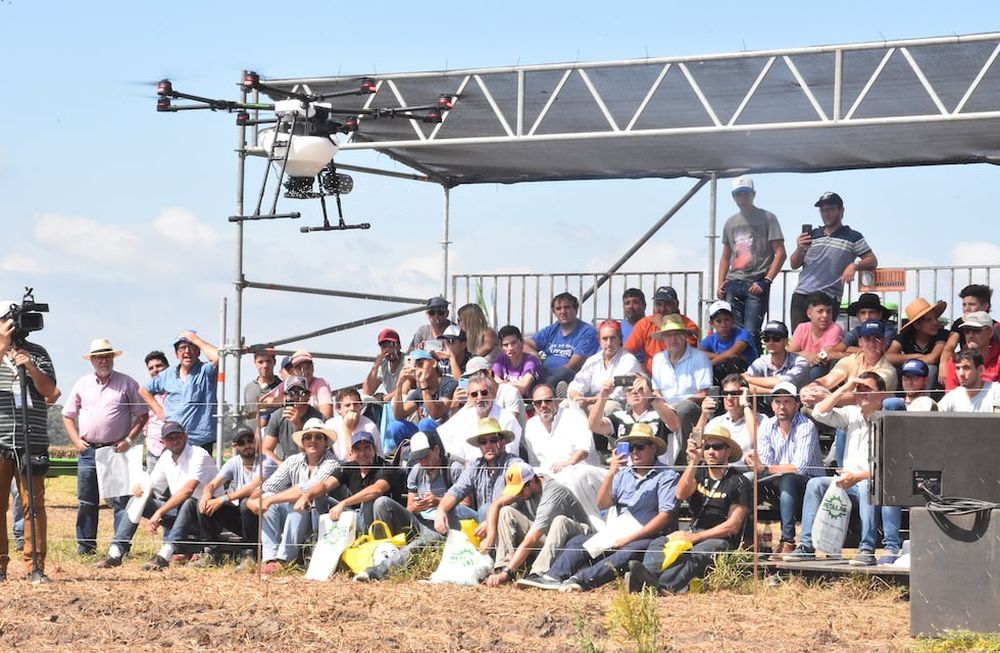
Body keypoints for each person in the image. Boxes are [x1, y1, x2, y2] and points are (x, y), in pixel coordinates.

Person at [522, 423, 679, 592]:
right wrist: (611, 472)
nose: (634, 452)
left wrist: (629, 538)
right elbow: (603, 503)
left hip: (650, 535)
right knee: (578, 542)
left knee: (630, 551)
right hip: (619, 529)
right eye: (631, 447)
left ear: (653, 448)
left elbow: (665, 516)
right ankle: (553, 576)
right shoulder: (624, 474)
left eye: (640, 447)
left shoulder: (667, 475)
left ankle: (581, 580)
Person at [785, 372, 902, 566]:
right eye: (859, 390)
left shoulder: (891, 421)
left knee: (866, 486)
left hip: (874, 483)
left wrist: (859, 476)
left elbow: (893, 468)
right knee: (815, 484)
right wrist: (846, 386)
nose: (862, 394)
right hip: (847, 483)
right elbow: (819, 412)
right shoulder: (851, 413)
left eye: (868, 390)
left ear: (881, 395)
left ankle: (866, 549)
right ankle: (806, 546)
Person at [627, 424, 751, 594]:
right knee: (660, 542)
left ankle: (664, 586)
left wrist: (695, 537)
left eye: (717, 447)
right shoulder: (699, 473)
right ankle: (646, 577)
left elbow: (733, 526)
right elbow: (680, 494)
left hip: (721, 538)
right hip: (695, 531)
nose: (711, 451)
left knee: (701, 550)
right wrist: (694, 461)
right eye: (707, 447)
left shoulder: (739, 481)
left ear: (728, 451)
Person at [62, 338, 148, 556]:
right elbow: (67, 415)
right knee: (87, 501)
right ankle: (86, 547)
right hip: (88, 450)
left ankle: (119, 548)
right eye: (99, 357)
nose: (104, 360)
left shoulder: (127, 382)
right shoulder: (82, 384)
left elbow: (142, 415)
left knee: (120, 500)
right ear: (92, 360)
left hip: (116, 450)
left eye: (107, 356)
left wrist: (128, 440)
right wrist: (75, 440)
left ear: (113, 358)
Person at [98, 421, 221, 571]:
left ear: (185, 436)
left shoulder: (199, 454)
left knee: (189, 502)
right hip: (181, 514)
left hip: (207, 517)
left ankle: (164, 555)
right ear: (163, 442)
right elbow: (152, 485)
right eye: (170, 438)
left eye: (178, 436)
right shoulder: (166, 458)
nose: (175, 441)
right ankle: (116, 552)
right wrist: (139, 489)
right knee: (138, 499)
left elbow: (188, 490)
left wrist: (159, 513)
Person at [353, 429, 467, 582]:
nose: (423, 463)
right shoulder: (416, 471)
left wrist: (438, 502)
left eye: (426, 457)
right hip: (419, 521)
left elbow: (466, 507)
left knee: (424, 540)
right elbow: (409, 508)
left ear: (436, 450)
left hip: (443, 525)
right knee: (382, 503)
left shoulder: (454, 469)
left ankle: (377, 570)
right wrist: (417, 506)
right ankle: (385, 550)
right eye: (419, 459)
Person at [0, 307, 57, 580]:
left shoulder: (39, 352)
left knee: (33, 505)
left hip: (31, 439)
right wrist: (2, 346)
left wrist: (31, 367)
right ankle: (0, 566)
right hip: (0, 441)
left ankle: (35, 567)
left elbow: (49, 392)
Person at [247, 418, 339, 574]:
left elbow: (305, 490)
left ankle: (284, 560)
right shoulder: (293, 461)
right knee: (271, 500)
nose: (313, 441)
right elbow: (269, 486)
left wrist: (268, 500)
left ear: (326, 442)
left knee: (296, 503)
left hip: (322, 515)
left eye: (318, 437)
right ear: (302, 442)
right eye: (308, 437)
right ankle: (270, 558)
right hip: (297, 516)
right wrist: (251, 501)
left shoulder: (332, 463)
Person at [745, 382, 823, 559]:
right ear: (772, 405)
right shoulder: (767, 425)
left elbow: (799, 467)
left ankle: (787, 540)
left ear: (797, 404)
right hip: (777, 480)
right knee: (746, 479)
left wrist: (764, 467)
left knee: (788, 478)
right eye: (777, 401)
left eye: (787, 401)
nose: (781, 406)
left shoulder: (806, 426)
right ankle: (746, 539)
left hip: (808, 483)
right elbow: (763, 461)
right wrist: (753, 462)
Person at [482, 462, 592, 586]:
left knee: (560, 521)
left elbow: (532, 539)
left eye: (520, 490)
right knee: (506, 512)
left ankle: (537, 574)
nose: (518, 494)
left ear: (532, 482)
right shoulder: (530, 488)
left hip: (578, 542)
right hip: (552, 541)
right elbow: (497, 504)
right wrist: (490, 532)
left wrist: (509, 571)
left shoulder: (553, 494)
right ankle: (501, 567)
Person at [788, 191, 877, 330]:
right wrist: (799, 248)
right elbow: (794, 264)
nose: (826, 214)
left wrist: (854, 266)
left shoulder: (853, 236)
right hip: (801, 295)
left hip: (828, 297)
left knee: (823, 343)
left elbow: (872, 260)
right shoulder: (812, 235)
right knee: (799, 343)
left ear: (841, 211)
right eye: (822, 210)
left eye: (830, 209)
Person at [194, 425, 277, 569]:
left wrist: (222, 499)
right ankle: (211, 552)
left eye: (249, 441)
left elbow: (253, 487)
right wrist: (206, 496)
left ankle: (250, 554)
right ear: (235, 446)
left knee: (247, 503)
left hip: (263, 518)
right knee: (203, 504)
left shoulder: (266, 462)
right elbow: (212, 484)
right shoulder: (234, 462)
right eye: (241, 443)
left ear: (256, 442)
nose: (247, 446)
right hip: (243, 518)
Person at [716, 175, 786, 344]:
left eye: (746, 193)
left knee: (752, 331)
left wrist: (766, 281)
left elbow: (780, 253)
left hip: (756, 283)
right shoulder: (730, 223)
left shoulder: (768, 217)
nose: (742, 198)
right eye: (738, 194)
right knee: (733, 332)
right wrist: (720, 283)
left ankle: (752, 368)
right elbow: (725, 256)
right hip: (733, 282)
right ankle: (736, 368)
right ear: (733, 197)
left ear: (753, 194)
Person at [524, 383, 605, 524]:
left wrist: (569, 462)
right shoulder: (531, 426)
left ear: (556, 401)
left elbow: (584, 450)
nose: (543, 405)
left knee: (573, 476)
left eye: (548, 401)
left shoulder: (573, 416)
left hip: (581, 471)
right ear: (534, 405)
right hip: (551, 476)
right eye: (538, 403)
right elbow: (534, 463)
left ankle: (593, 524)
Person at [306, 431, 405, 535]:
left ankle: (369, 539)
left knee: (370, 500)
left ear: (374, 449)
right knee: (319, 499)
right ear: (351, 453)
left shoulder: (386, 467)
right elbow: (325, 485)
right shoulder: (348, 467)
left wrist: (344, 503)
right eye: (358, 449)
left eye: (367, 448)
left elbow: (377, 489)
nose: (362, 453)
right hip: (354, 516)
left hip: (376, 521)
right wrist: (307, 496)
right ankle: (318, 539)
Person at [434, 418, 523, 534]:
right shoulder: (475, 465)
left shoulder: (514, 464)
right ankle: (464, 548)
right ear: (479, 446)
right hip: (483, 520)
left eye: (493, 440)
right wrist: (440, 511)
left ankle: (490, 550)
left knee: (486, 509)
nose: (488, 446)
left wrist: (491, 520)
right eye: (483, 442)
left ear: (502, 442)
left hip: (509, 523)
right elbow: (456, 490)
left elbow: (518, 500)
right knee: (452, 509)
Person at [140, 331, 219, 454]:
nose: (187, 351)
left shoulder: (205, 371)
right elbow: (144, 390)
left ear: (198, 352)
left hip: (200, 442)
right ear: (176, 354)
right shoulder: (168, 374)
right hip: (173, 440)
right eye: (182, 348)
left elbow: (219, 357)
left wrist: (196, 339)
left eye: (191, 347)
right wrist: (160, 411)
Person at [588, 375, 682, 466]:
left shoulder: (662, 411)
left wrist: (651, 397)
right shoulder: (619, 417)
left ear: (649, 390)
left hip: (658, 472)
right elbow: (593, 426)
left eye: (639, 389)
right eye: (629, 390)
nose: (634, 392)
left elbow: (675, 425)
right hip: (625, 474)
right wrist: (603, 395)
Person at [650, 314, 712, 445]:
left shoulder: (699, 358)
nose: (673, 339)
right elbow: (656, 391)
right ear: (663, 339)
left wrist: (675, 406)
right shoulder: (658, 359)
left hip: (692, 408)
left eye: (677, 334)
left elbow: (703, 393)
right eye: (668, 335)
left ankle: (685, 458)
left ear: (685, 336)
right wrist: (664, 406)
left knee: (684, 408)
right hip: (664, 406)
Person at [437, 372, 522, 463]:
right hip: (468, 469)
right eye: (474, 394)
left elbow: (509, 456)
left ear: (492, 394)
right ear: (469, 397)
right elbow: (446, 440)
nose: (480, 398)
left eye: (484, 392)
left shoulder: (507, 419)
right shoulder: (464, 416)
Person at [803, 320, 898, 401]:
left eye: (877, 339)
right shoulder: (851, 360)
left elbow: (862, 397)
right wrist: (809, 389)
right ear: (860, 342)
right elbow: (828, 381)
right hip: (848, 413)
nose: (872, 343)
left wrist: (824, 398)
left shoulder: (889, 371)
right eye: (867, 339)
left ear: (884, 342)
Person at [386, 349, 458, 451]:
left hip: (446, 435)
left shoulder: (448, 383)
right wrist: (399, 385)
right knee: (397, 426)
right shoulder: (419, 392)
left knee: (425, 424)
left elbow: (435, 414)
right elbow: (399, 415)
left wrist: (423, 385)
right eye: (414, 367)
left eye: (420, 364)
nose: (417, 370)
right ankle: (408, 457)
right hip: (426, 435)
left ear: (433, 363)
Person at [525, 292, 599, 388]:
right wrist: (535, 356)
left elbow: (574, 365)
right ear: (554, 313)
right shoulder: (552, 329)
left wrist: (547, 384)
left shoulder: (588, 332)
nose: (563, 312)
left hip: (571, 378)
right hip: (545, 374)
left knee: (566, 374)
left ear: (576, 309)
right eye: (558, 309)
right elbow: (526, 344)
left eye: (567, 307)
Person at [567, 319, 641, 413]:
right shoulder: (593, 360)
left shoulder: (629, 360)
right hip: (590, 402)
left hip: (616, 404)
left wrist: (589, 401)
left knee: (608, 408)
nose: (609, 343)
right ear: (599, 340)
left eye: (612, 338)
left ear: (620, 339)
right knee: (564, 405)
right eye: (605, 339)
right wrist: (576, 397)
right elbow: (577, 384)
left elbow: (618, 395)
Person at [624, 286, 699, 375]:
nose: (662, 309)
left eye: (667, 304)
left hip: (682, 374)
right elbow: (627, 352)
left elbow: (687, 352)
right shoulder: (644, 323)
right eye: (659, 304)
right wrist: (640, 370)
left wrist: (663, 327)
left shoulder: (688, 325)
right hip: (651, 378)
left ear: (676, 304)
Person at [693, 374, 762, 469]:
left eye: (734, 393)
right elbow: (695, 443)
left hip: (745, 474)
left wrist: (745, 405)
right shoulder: (716, 421)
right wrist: (704, 415)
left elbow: (759, 441)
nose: (729, 398)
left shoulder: (760, 419)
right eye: (725, 393)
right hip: (718, 473)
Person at [938, 284, 998, 386]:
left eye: (972, 304)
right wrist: (943, 365)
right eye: (964, 304)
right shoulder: (959, 323)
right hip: (966, 364)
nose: (967, 308)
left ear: (985, 306)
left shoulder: (996, 327)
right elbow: (949, 347)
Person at [262, 376, 324, 465]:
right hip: (284, 464)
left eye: (300, 393)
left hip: (309, 463)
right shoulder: (278, 415)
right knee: (266, 463)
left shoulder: (317, 418)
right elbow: (266, 449)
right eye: (291, 393)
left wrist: (298, 425)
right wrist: (282, 465)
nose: (295, 396)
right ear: (285, 396)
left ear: (308, 396)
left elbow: (311, 454)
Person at [887, 298, 949, 383]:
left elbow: (933, 358)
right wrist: (913, 357)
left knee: (930, 368)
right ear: (917, 325)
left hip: (935, 381)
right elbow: (889, 357)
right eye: (929, 320)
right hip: (910, 377)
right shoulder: (905, 336)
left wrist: (906, 361)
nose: (935, 322)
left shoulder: (942, 334)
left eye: (935, 318)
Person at [787, 292, 844, 382]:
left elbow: (823, 356)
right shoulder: (802, 327)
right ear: (809, 313)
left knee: (817, 369)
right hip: (803, 368)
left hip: (825, 371)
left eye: (828, 311)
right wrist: (807, 355)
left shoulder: (835, 328)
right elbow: (789, 353)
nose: (825, 315)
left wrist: (803, 354)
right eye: (820, 311)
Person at [699, 300, 758, 384]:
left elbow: (733, 353)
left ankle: (734, 392)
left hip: (747, 378)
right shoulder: (710, 339)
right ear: (711, 324)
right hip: (723, 376)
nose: (723, 325)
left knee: (734, 362)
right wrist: (721, 357)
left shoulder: (743, 333)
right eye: (718, 321)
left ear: (733, 320)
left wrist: (709, 363)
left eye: (727, 319)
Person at [743, 320, 809, 393]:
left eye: (776, 338)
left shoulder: (800, 362)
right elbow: (742, 384)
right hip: (768, 402)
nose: (771, 342)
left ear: (786, 341)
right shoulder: (761, 361)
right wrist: (771, 392)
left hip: (795, 403)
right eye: (766, 338)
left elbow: (784, 383)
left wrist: (749, 379)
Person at [943, 311, 1000, 391]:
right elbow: (950, 395)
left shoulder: (998, 358)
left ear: (990, 333)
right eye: (966, 331)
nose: (970, 335)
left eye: (976, 330)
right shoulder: (955, 360)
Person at [325, 387, 381, 462]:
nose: (352, 408)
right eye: (347, 405)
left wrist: (347, 429)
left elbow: (354, 460)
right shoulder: (330, 425)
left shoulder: (369, 427)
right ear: (338, 409)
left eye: (355, 404)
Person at [492, 325, 544, 398]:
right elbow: (493, 382)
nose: (510, 348)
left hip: (531, 403)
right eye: (506, 345)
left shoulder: (531, 361)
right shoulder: (500, 361)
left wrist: (502, 384)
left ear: (522, 343)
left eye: (513, 343)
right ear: (501, 348)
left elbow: (523, 388)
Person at [285, 351, 334, 420]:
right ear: (293, 371)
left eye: (307, 367)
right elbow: (268, 400)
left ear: (313, 368)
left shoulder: (321, 384)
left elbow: (327, 417)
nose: (304, 371)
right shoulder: (287, 384)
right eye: (299, 368)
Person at [142, 350, 169, 471]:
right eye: (151, 368)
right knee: (154, 487)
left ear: (167, 367)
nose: (155, 370)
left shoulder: (177, 391)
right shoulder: (146, 395)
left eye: (159, 366)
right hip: (153, 450)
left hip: (175, 448)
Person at [362, 328, 405, 406]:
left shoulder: (407, 361)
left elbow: (406, 389)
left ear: (399, 346)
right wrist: (376, 365)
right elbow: (367, 392)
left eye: (392, 345)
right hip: (393, 406)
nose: (388, 349)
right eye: (384, 347)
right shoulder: (383, 365)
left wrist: (383, 399)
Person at [243, 348, 281, 430]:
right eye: (260, 362)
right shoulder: (249, 388)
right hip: (250, 439)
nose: (265, 365)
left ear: (274, 362)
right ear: (255, 363)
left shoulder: (282, 387)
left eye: (268, 361)